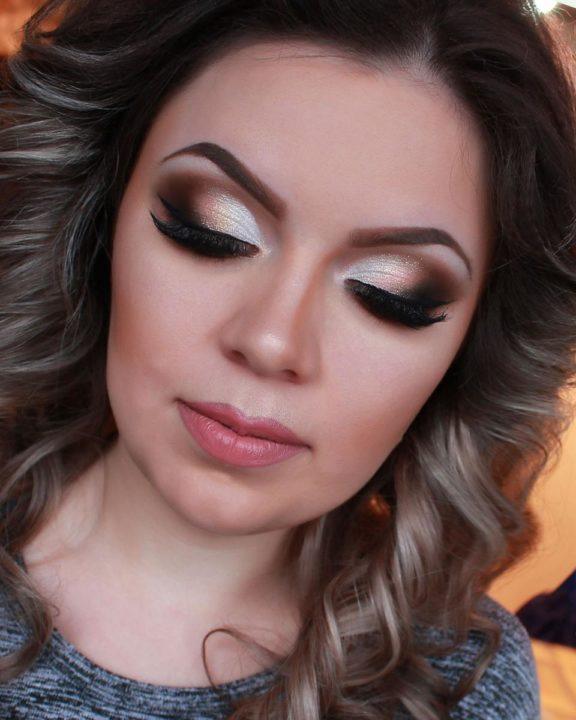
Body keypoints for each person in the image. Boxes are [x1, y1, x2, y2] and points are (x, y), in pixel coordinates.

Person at [0, 0, 575, 718]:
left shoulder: (468, 685)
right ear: (99, 217)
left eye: (391, 294)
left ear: (467, 354)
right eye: (211, 228)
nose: (273, 341)